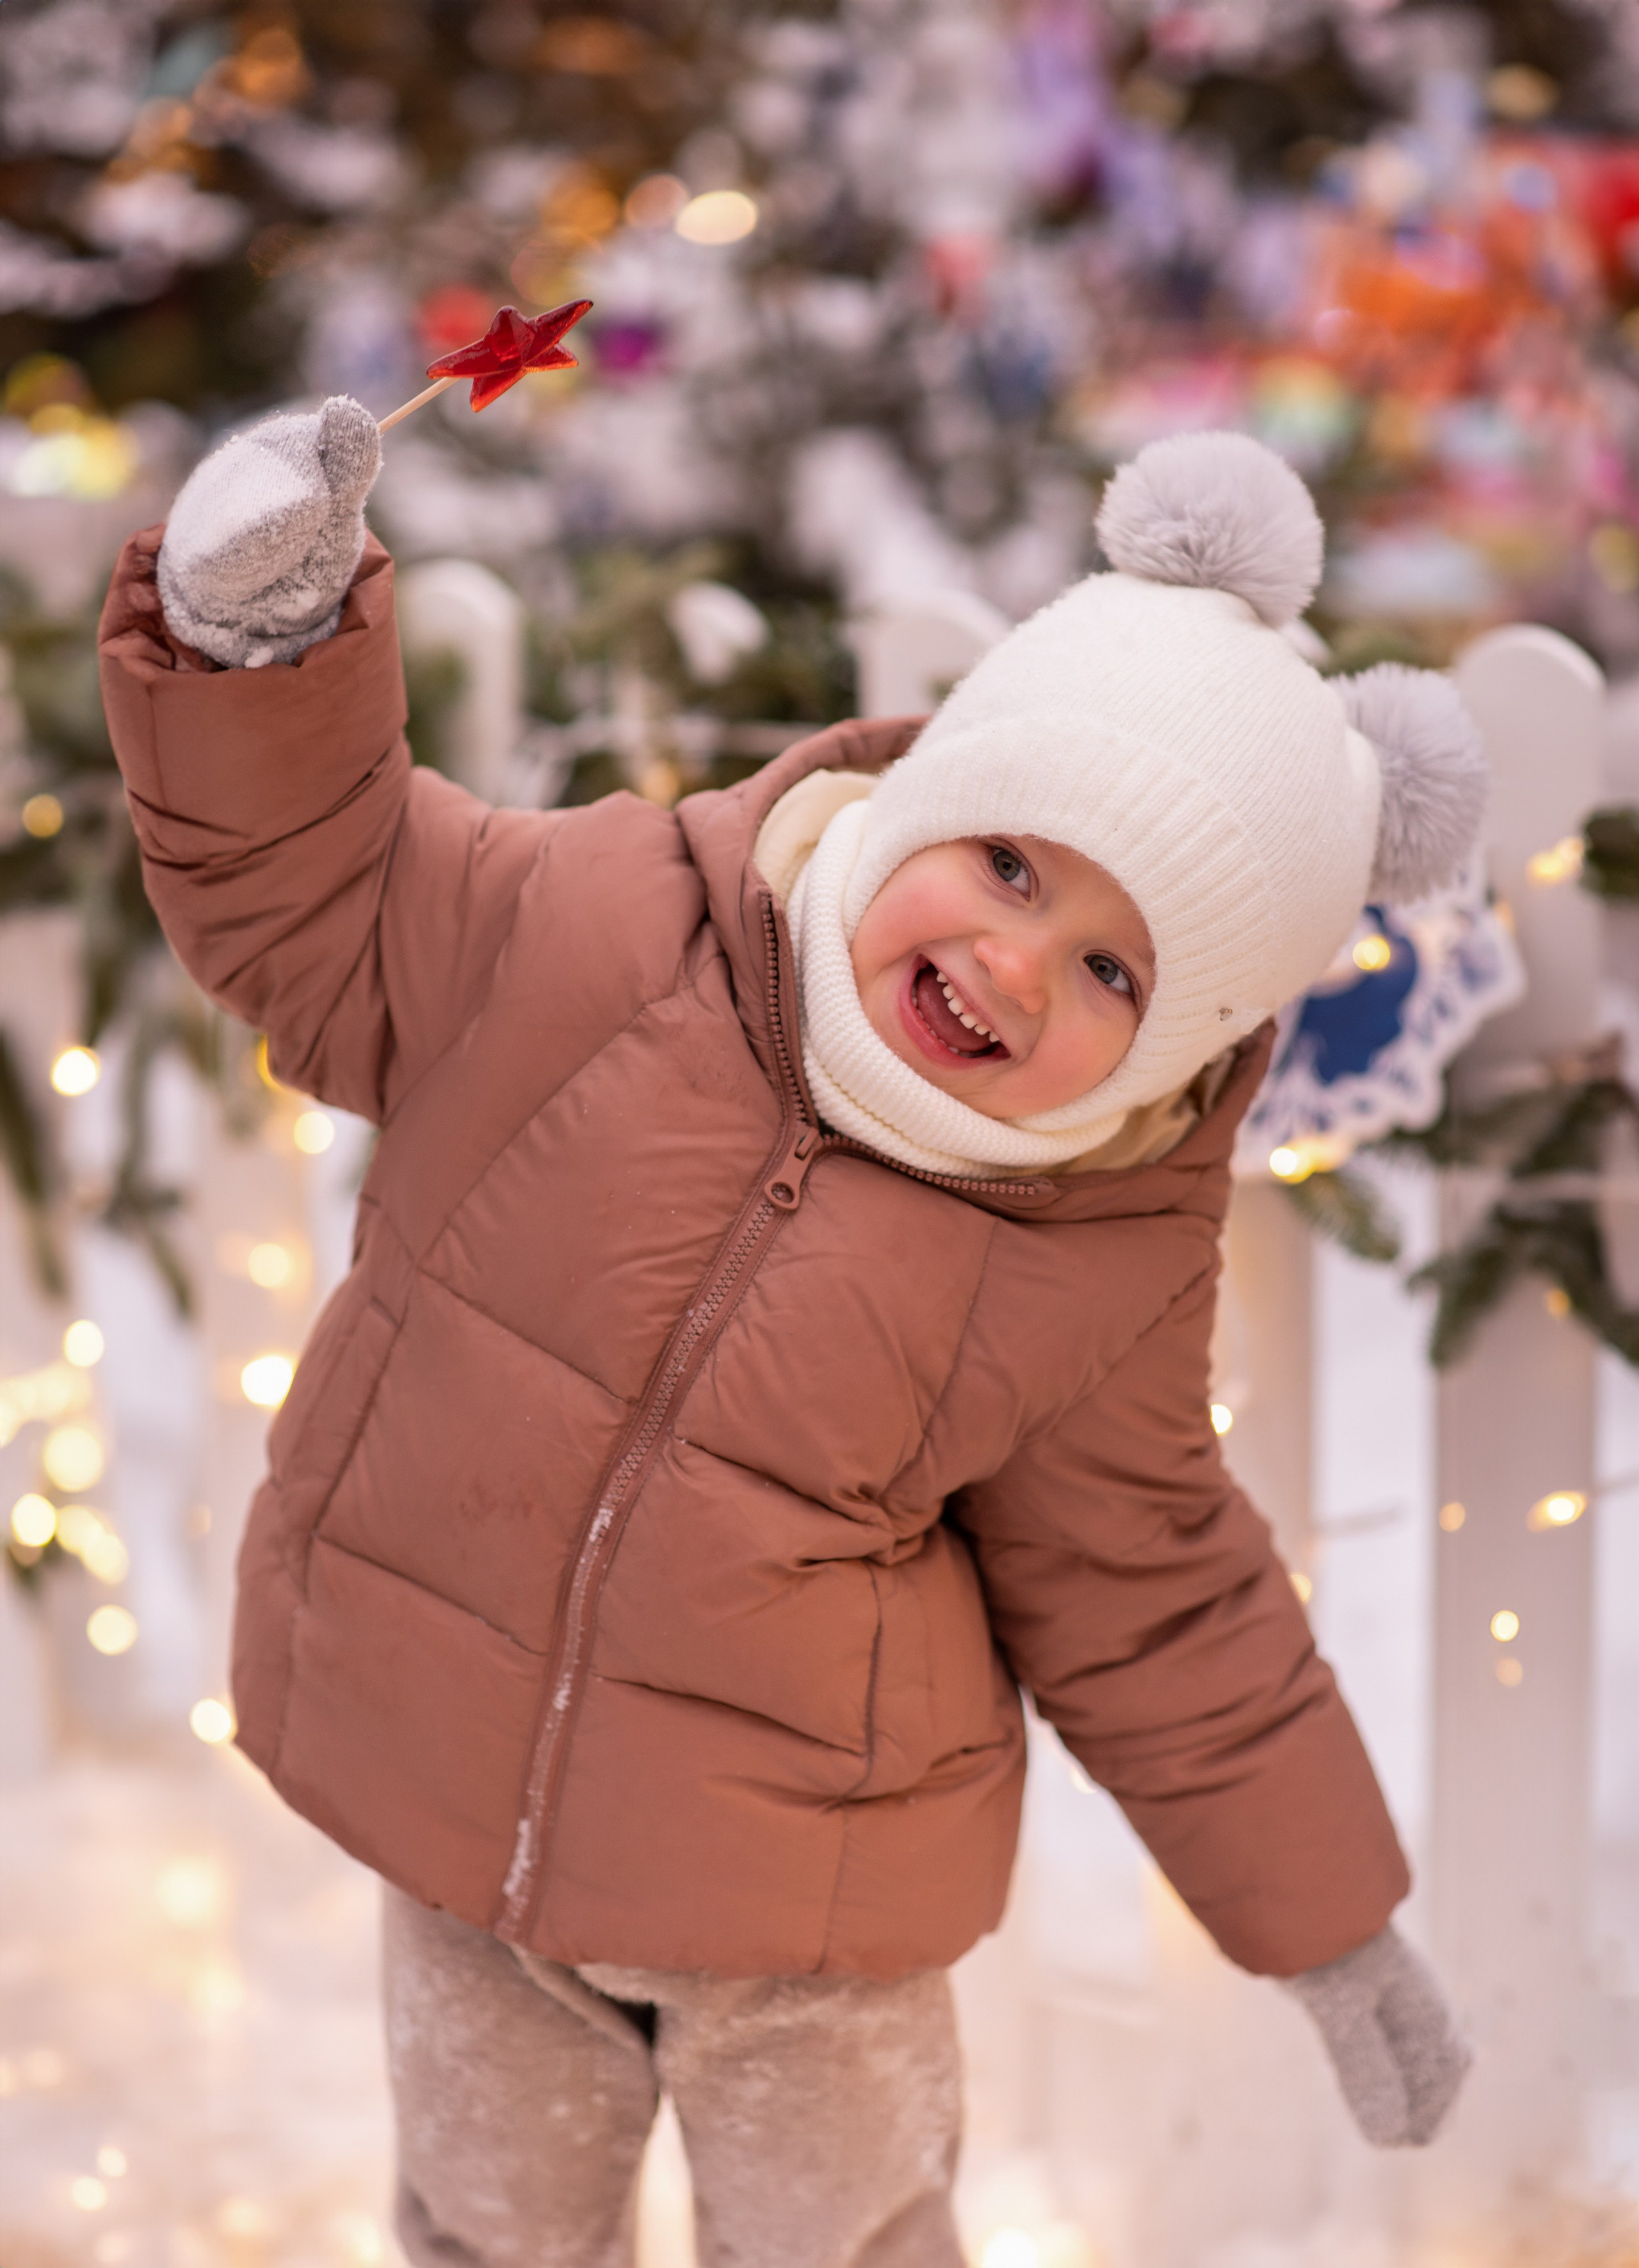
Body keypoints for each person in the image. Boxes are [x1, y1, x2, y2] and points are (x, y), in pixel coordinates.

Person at [97, 409, 1482, 2268]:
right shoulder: (585, 929)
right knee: (486, 2229)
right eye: (1010, 864)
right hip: (460, 1837)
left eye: (1113, 972)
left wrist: (1328, 1926)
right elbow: (313, 889)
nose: (1015, 965)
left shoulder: (1097, 1249)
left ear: (1176, 1046)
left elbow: (1155, 1595)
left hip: (809, 1920)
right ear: (931, 789)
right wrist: (251, 642)